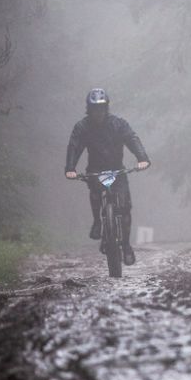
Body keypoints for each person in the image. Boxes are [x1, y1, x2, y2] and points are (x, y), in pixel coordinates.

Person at [64, 88, 150, 265]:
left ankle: (126, 246)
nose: (98, 112)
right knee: (96, 194)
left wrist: (142, 158)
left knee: (125, 208)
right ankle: (98, 222)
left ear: (106, 108)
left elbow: (132, 139)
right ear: (89, 109)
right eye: (95, 109)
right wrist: (70, 168)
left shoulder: (118, 124)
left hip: (117, 171)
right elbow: (74, 146)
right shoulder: (82, 127)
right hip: (95, 171)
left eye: (101, 108)